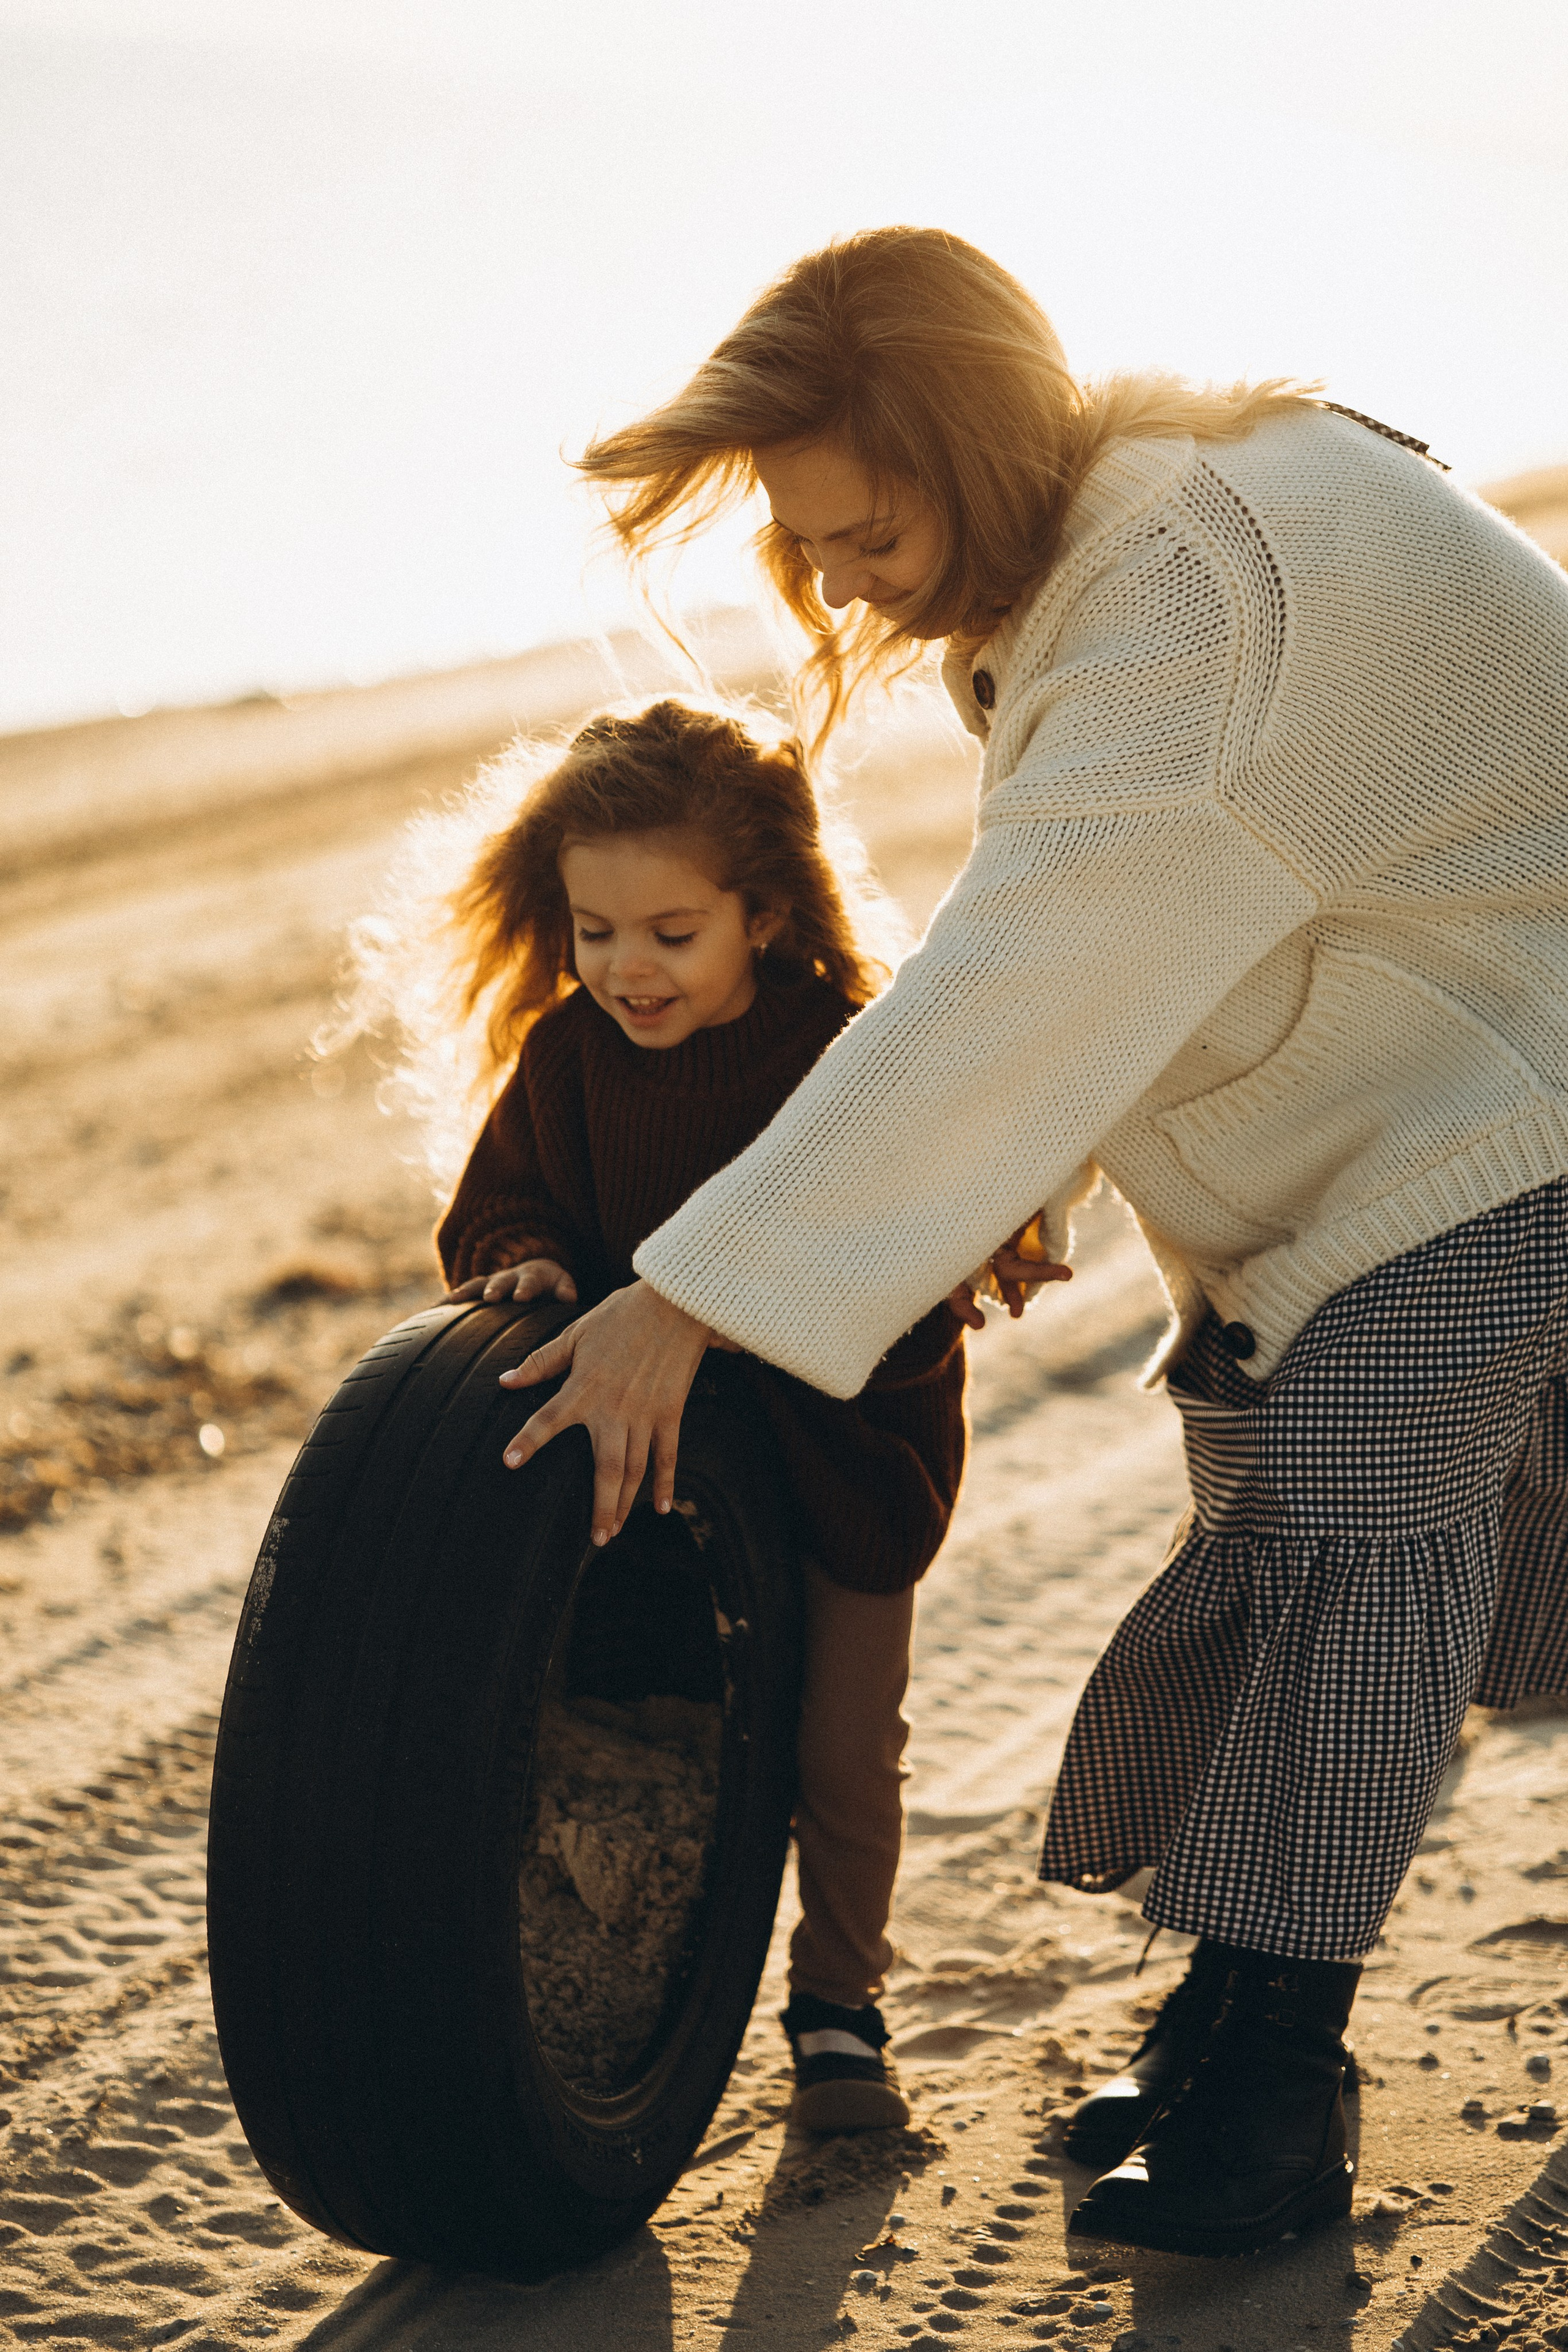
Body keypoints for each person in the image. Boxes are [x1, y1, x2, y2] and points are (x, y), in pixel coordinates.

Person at [492, 226, 1568, 2256]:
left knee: (1362, 1547)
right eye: (795, 545)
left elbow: (1033, 960)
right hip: (1428, 1084)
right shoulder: (1122, 537)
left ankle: (1269, 2097)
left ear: (976, 451)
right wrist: (1019, 1183)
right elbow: (1158, 921)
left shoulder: (1180, 587)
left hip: (1517, 1094)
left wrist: (696, 1297)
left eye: (856, 528)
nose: (824, 584)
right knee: (1280, 1525)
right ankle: (1236, 2012)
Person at [366, 692, 1035, 2133]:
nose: (626, 969)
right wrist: (522, 1257)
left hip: (841, 1452)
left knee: (838, 1750)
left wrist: (723, 1311)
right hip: (652, 1462)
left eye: (671, 934)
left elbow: (901, 1258)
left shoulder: (841, 1052)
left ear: (764, 910)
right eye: (592, 932)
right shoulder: (568, 1056)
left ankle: (839, 2002)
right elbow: (505, 1198)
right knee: (652, 1721)